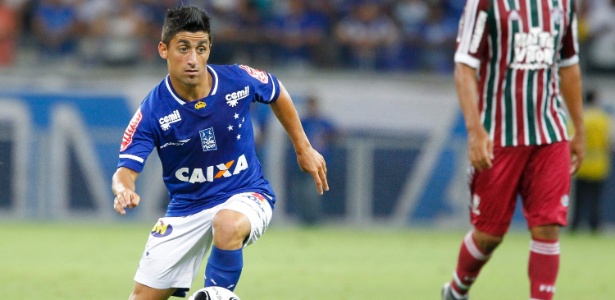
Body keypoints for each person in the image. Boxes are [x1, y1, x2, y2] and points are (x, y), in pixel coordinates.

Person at [111, 5, 329, 300]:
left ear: (209, 48)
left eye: (200, 49)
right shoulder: (153, 111)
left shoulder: (236, 80)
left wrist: (303, 147)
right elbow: (125, 169)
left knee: (226, 223)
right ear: (163, 49)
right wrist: (125, 189)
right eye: (183, 48)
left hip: (246, 193)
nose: (192, 59)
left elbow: (276, 90)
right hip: (187, 209)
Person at [442, 1, 585, 300]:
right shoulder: (484, 4)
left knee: (548, 227)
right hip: (499, 136)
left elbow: (569, 66)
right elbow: (465, 66)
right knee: (489, 235)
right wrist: (475, 130)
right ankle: (456, 290)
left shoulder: (563, 4)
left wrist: (579, 130)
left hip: (550, 132)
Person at [289, 95, 337, 225]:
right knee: (301, 194)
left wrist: (325, 139)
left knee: (313, 194)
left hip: (319, 165)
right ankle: (304, 220)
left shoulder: (323, 123)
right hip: (302, 166)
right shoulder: (302, 122)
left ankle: (314, 220)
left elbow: (336, 134)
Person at [570, 89, 611, 234]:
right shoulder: (603, 118)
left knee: (579, 198)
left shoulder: (580, 117)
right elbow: (608, 142)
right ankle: (595, 225)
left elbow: (571, 140)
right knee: (596, 198)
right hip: (599, 164)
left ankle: (575, 224)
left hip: (581, 164)